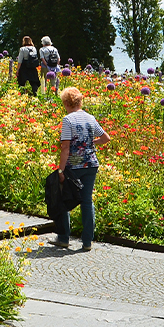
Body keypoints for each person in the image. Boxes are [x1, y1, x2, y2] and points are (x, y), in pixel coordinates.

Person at [54, 85, 111, 251]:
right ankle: (87, 242)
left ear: (66, 103)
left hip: (74, 166)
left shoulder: (68, 120)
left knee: (64, 200)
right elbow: (105, 138)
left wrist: (61, 170)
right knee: (86, 201)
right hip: (91, 164)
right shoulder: (90, 117)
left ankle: (64, 238)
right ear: (79, 101)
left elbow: (65, 147)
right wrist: (89, 143)